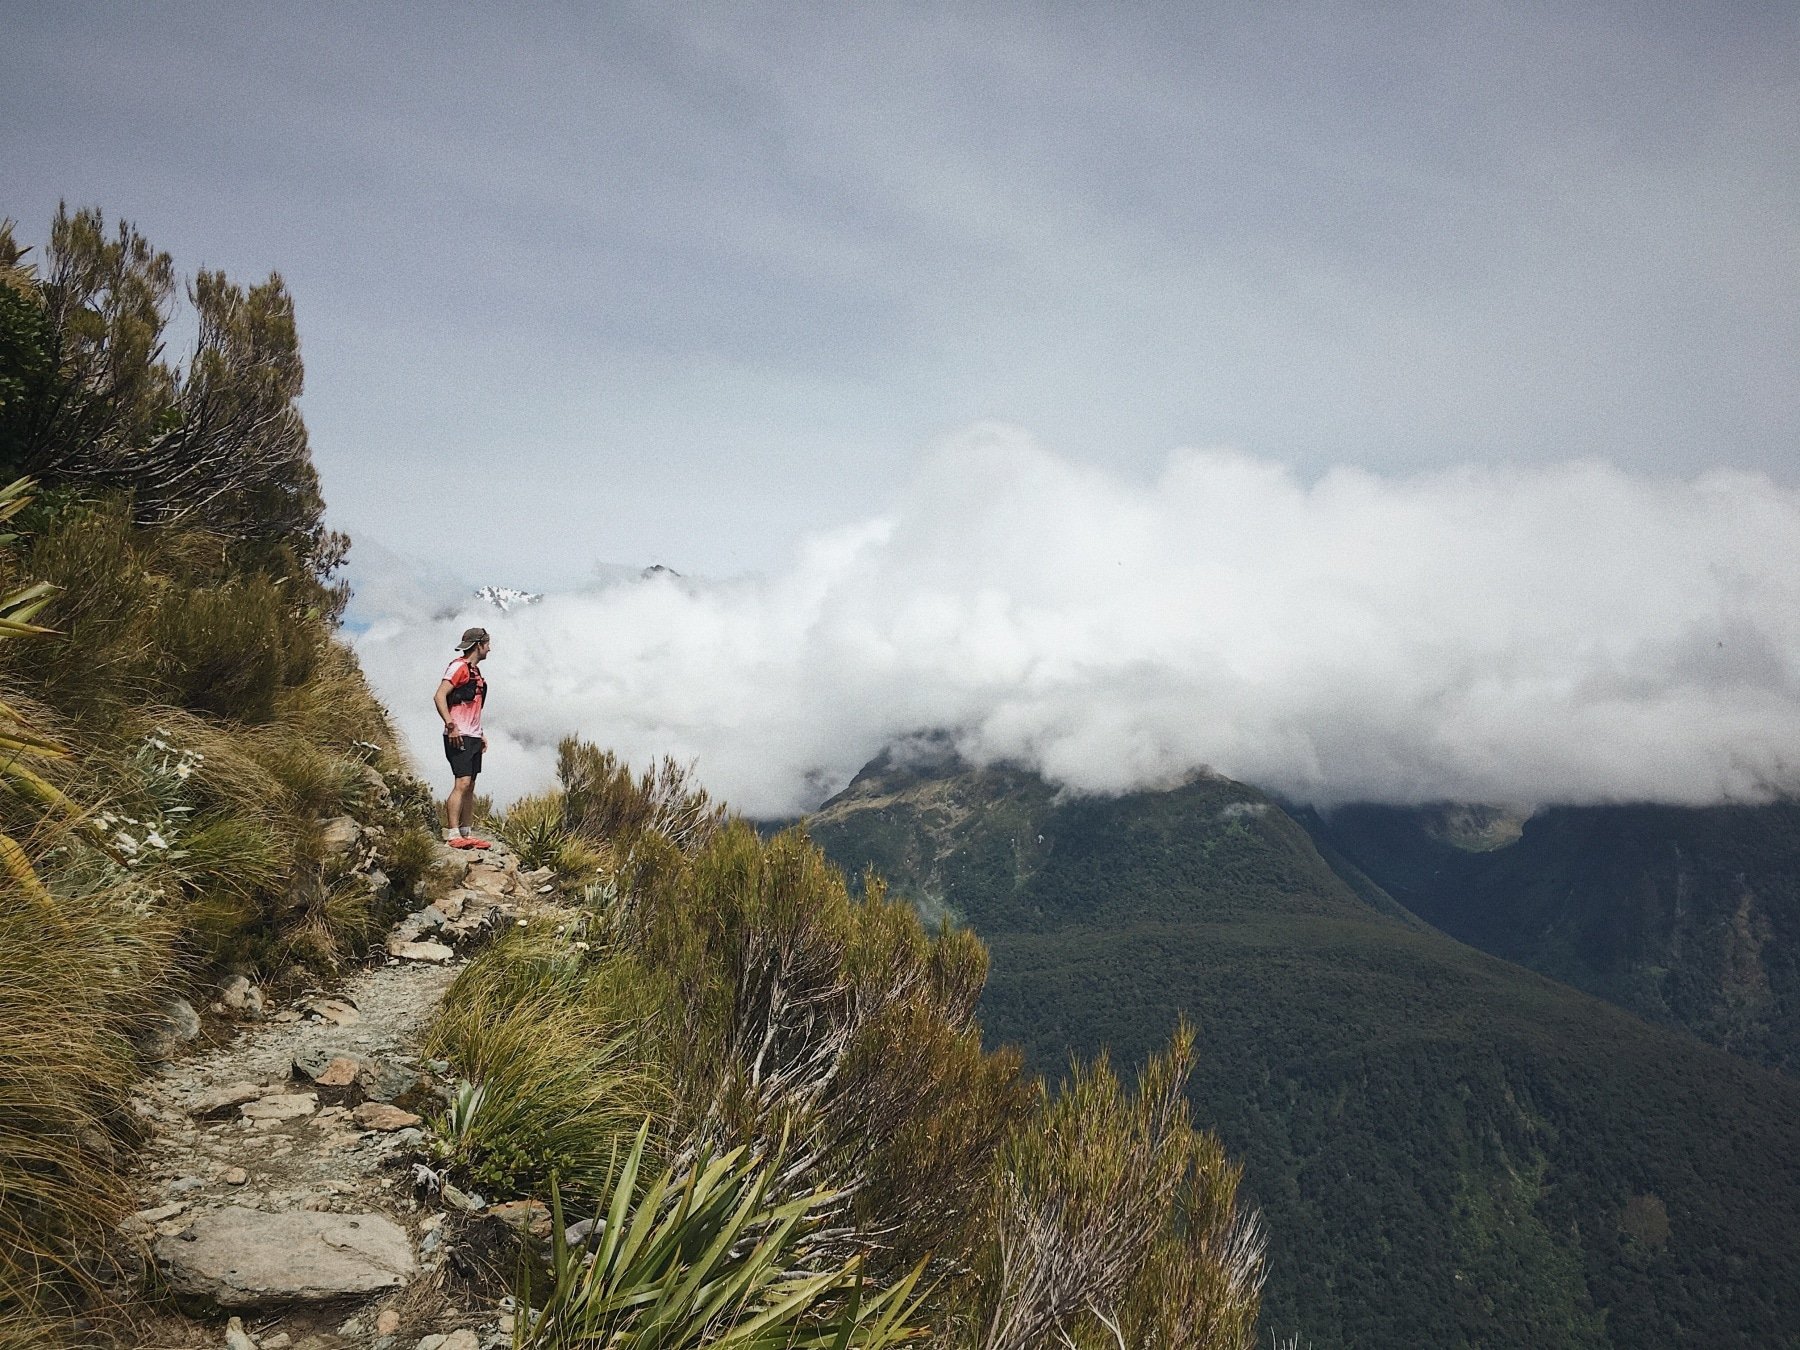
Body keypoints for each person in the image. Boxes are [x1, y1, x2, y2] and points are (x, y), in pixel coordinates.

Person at [434, 626, 491, 849]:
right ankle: (453, 833)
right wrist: (451, 725)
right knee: (462, 782)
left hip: (473, 735)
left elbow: (472, 706)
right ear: (479, 645)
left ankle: (466, 833)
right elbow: (439, 695)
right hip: (459, 735)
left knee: (471, 784)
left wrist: (481, 734)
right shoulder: (459, 668)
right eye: (487, 644)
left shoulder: (475, 672)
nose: (489, 648)